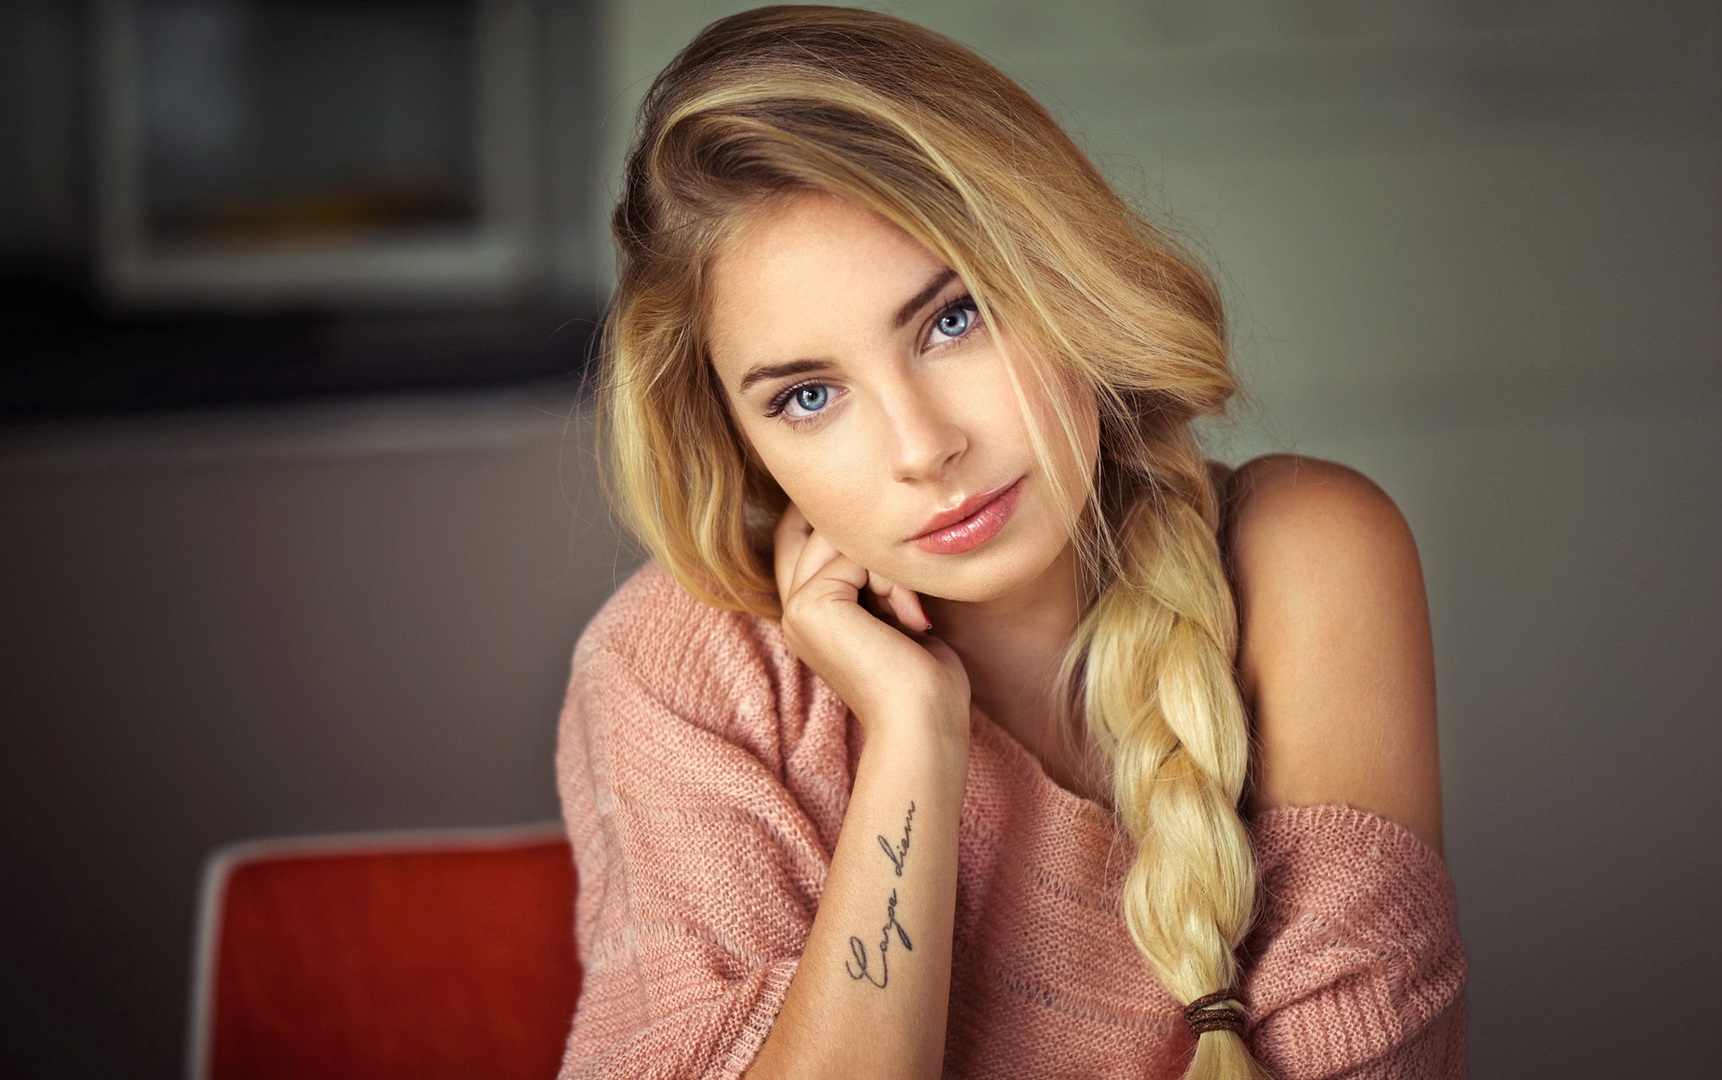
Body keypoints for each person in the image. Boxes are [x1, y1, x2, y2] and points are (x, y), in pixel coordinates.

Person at [555, 6, 1465, 1078]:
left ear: (1059, 271)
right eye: (807, 395)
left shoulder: (1302, 560)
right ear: (738, 439)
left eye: (954, 319)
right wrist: (911, 736)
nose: (923, 446)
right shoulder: (681, 672)